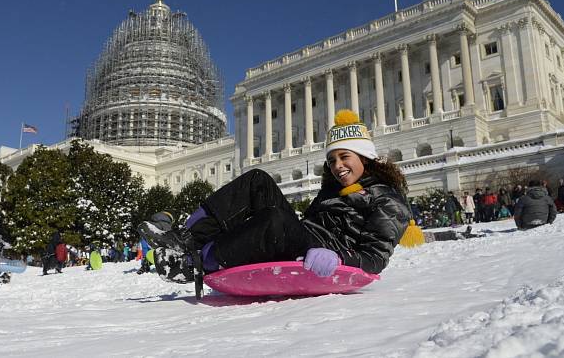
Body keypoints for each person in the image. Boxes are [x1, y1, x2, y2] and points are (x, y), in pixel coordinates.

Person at [138, 109, 411, 291]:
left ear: (364, 158)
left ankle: (194, 263)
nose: (337, 166)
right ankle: (185, 240)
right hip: (304, 239)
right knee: (257, 179)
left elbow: (375, 258)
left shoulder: (389, 201)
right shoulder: (332, 192)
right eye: (331, 160)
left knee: (275, 220)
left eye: (344, 157)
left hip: (324, 255)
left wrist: (337, 257)